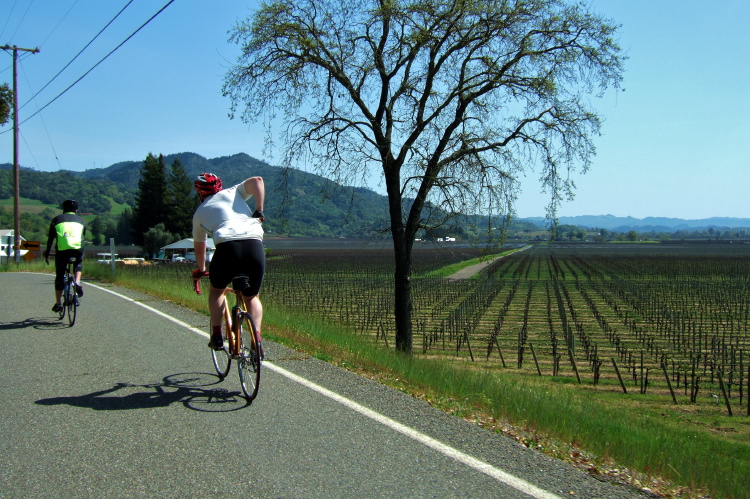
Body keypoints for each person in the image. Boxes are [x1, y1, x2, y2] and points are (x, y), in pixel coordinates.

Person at [191, 173, 266, 357]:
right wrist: (259, 209)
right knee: (252, 297)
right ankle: (256, 339)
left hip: (227, 248)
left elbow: (200, 248)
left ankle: (217, 334)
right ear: (219, 186)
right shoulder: (235, 192)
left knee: (217, 290)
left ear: (200, 193)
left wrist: (201, 270)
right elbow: (258, 181)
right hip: (254, 245)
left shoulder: (199, 213)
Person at [43, 199, 86, 313]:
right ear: (76, 210)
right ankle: (77, 282)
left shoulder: (57, 220)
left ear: (63, 209)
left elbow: (51, 239)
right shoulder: (81, 221)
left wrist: (47, 252)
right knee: (78, 263)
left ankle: (58, 304)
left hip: (62, 250)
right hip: (78, 248)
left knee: (60, 275)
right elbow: (82, 236)